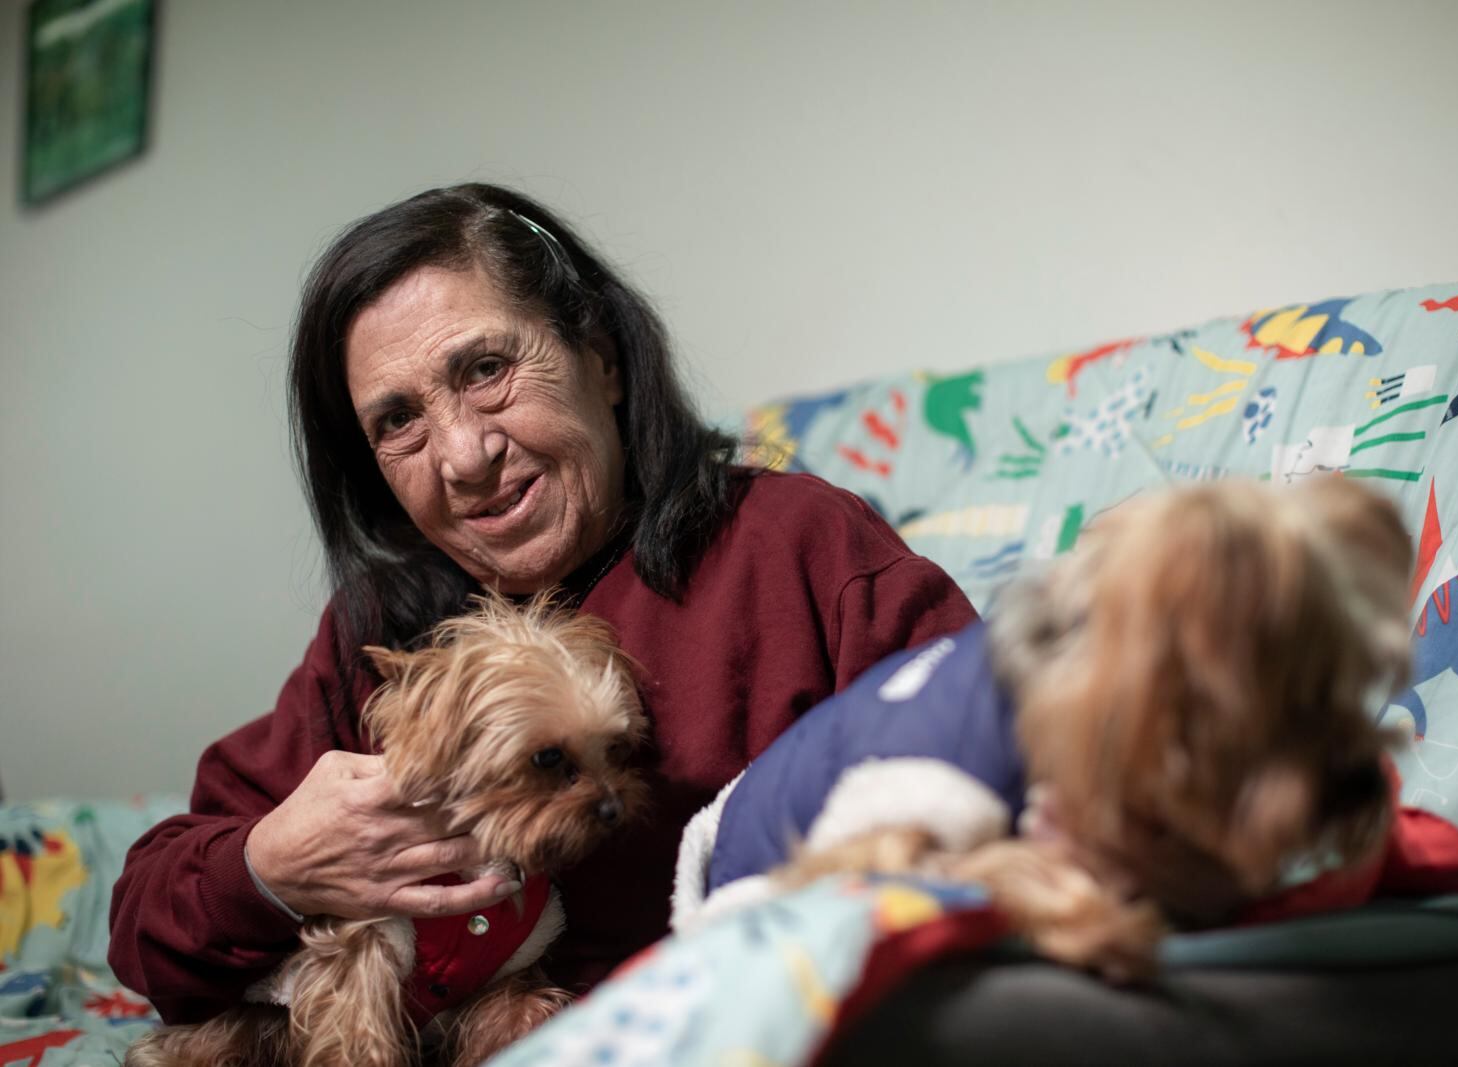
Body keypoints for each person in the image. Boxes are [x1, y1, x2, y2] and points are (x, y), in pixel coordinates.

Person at [107, 182, 977, 1025]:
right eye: (398, 421)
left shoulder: (796, 546)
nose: (463, 456)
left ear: (602, 360)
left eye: (486, 370)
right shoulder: (375, 633)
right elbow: (145, 922)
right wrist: (270, 867)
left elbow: (988, 766)